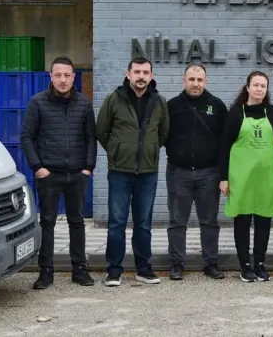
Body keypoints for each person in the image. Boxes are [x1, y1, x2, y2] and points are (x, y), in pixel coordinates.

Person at [20, 56, 96, 289]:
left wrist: (87, 168)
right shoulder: (37, 103)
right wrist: (38, 167)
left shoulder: (84, 103)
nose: (63, 80)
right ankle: (46, 271)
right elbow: (26, 137)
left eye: (67, 75)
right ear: (51, 77)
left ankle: (79, 269)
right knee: (48, 222)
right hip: (49, 174)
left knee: (77, 221)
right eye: (58, 75)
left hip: (77, 174)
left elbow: (91, 138)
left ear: (73, 77)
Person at [96, 56, 169, 287]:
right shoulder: (114, 99)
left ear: (151, 75)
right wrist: (117, 152)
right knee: (117, 222)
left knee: (144, 223)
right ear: (128, 74)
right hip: (120, 171)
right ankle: (114, 270)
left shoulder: (159, 102)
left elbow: (163, 133)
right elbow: (101, 131)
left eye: (145, 72)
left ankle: (143, 269)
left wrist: (148, 151)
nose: (141, 76)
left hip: (148, 172)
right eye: (137, 72)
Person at [164, 63, 228, 281]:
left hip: (209, 173)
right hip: (178, 171)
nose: (195, 84)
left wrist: (223, 175)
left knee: (209, 221)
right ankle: (176, 263)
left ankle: (210, 263)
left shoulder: (217, 106)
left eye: (200, 80)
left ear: (206, 82)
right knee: (176, 221)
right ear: (184, 81)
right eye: (191, 79)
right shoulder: (171, 106)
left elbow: (225, 142)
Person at [219, 71, 273, 282]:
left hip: (266, 177)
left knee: (264, 220)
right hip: (241, 176)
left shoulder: (272, 113)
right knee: (243, 220)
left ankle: (260, 263)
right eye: (256, 85)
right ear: (247, 88)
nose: (259, 89)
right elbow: (224, 145)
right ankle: (245, 265)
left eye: (263, 86)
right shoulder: (236, 112)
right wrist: (223, 177)